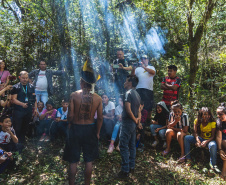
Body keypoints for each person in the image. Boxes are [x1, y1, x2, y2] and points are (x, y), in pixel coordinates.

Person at [63, 60, 103, 185]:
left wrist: (70, 124)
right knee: (89, 161)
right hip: (90, 129)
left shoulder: (74, 95)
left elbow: (70, 115)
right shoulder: (98, 98)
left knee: (73, 161)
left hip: (76, 128)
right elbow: (100, 118)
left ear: (82, 82)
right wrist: (97, 132)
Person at [118, 75, 142, 178]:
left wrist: (134, 120)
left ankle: (125, 170)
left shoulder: (128, 93)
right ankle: (131, 167)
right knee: (132, 146)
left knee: (123, 145)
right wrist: (137, 121)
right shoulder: (137, 94)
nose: (124, 82)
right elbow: (139, 110)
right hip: (133, 124)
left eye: (126, 81)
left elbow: (128, 110)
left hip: (128, 122)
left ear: (130, 83)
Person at [184, 107, 220, 172]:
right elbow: (195, 132)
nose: (207, 116)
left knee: (213, 145)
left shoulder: (212, 123)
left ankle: (212, 166)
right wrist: (197, 140)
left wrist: (206, 142)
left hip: (209, 140)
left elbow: (213, 136)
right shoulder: (197, 121)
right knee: (187, 138)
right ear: (201, 115)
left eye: (208, 114)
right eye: (205, 114)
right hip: (200, 138)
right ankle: (188, 159)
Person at [11, 71, 37, 144]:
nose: (25, 79)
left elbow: (34, 98)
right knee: (17, 128)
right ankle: (15, 143)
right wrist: (22, 104)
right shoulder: (15, 87)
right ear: (19, 78)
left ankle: (22, 143)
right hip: (18, 111)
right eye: (23, 78)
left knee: (25, 127)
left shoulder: (31, 87)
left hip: (28, 110)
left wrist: (35, 108)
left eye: (26, 78)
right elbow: (13, 99)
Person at [216, 103, 226, 180]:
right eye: (217, 114)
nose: (219, 116)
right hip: (223, 142)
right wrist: (220, 150)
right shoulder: (219, 122)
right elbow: (219, 137)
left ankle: (223, 171)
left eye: (221, 114)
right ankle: (224, 172)